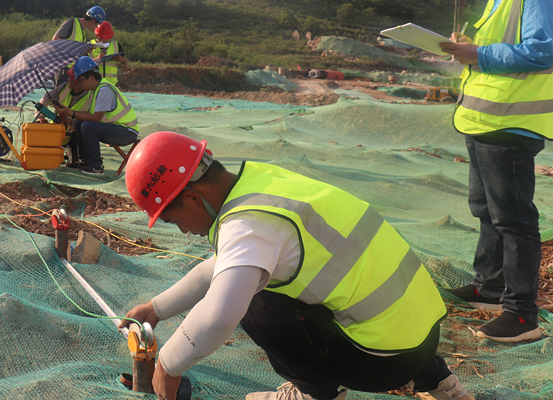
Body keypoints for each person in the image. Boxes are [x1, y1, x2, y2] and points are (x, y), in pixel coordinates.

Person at [119, 131, 476, 400]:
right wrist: (156, 309)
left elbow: (218, 315)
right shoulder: (261, 183)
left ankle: (313, 392)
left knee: (256, 301)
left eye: (173, 219)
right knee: (253, 276)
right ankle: (438, 380)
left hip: (383, 361)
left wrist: (167, 366)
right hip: (424, 336)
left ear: (193, 198)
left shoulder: (248, 226)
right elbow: (221, 264)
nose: (182, 229)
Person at [439, 0, 553, 343]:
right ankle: (491, 286)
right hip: (484, 123)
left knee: (514, 219)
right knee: (486, 209)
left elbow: (544, 50)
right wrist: (469, 48)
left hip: (509, 127)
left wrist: (478, 54)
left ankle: (522, 315)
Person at [52, 57, 138, 176]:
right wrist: (68, 112)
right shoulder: (95, 90)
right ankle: (85, 161)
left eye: (81, 81)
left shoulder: (104, 89)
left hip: (126, 132)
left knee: (88, 126)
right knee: (79, 123)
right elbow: (89, 114)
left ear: (91, 78)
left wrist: (71, 113)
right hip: (115, 128)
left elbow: (96, 118)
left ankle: (96, 166)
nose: (80, 84)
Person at [37, 67, 94, 167]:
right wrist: (41, 117)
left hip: (76, 132)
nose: (68, 79)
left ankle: (77, 157)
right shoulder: (64, 87)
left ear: (79, 82)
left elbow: (91, 120)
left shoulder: (91, 96)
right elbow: (45, 99)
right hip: (57, 129)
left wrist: (69, 120)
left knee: (82, 127)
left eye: (71, 78)